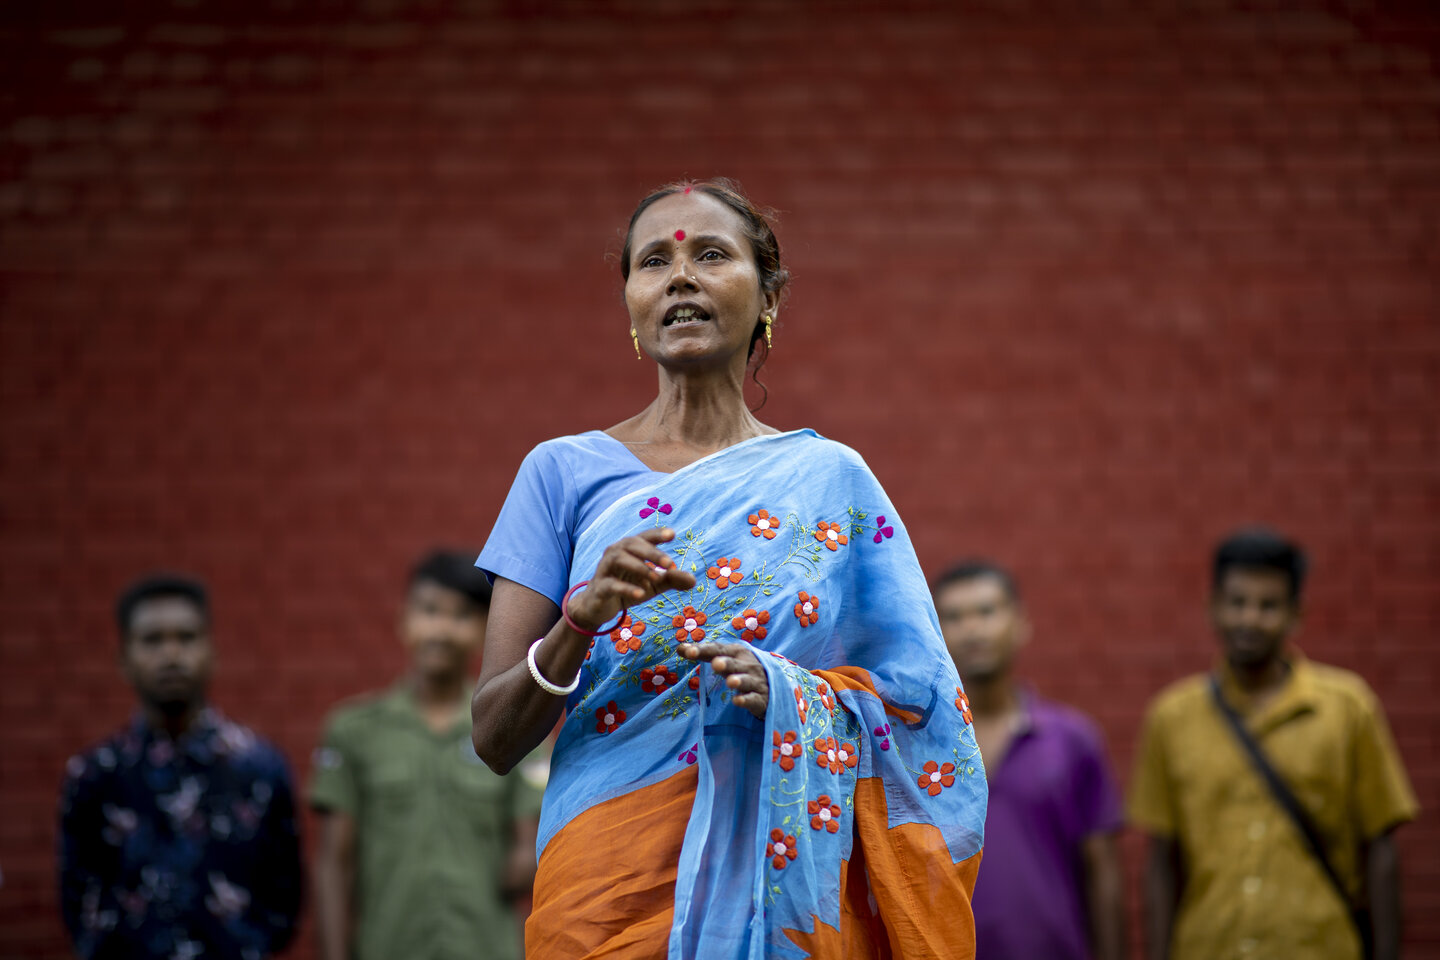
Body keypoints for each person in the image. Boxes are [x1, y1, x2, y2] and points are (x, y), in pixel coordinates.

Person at [470, 178, 986, 959]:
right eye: (654, 262)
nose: (681, 276)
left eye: (712, 255)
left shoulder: (833, 482)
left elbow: (924, 709)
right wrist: (581, 618)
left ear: (767, 296)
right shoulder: (561, 473)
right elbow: (493, 738)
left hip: (781, 895)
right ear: (633, 307)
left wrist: (792, 696)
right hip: (603, 888)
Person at [1130, 529, 1419, 960]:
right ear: (1214, 608)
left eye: (1268, 606)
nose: (1249, 619)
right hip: (1209, 946)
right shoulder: (1172, 718)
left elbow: (1380, 848)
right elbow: (1161, 863)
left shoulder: (1348, 710)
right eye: (1237, 603)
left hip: (1320, 946)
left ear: (1295, 615)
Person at [310, 550, 545, 960]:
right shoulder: (354, 731)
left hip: (485, 948)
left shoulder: (513, 730)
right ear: (405, 619)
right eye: (429, 610)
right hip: (387, 947)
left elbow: (527, 860)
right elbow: (334, 862)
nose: (441, 628)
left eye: (461, 615)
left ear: (483, 631)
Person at [58, 574, 302, 960]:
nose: (171, 655)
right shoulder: (95, 777)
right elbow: (77, 899)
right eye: (152, 641)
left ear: (212, 651)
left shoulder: (259, 770)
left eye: (186, 638)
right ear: (124, 660)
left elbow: (283, 899)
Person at [934, 560, 1125, 960]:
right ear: (935, 633)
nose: (972, 629)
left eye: (987, 612)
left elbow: (1103, 875)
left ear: (1021, 623)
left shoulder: (1072, 741)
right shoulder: (917, 748)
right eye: (954, 617)